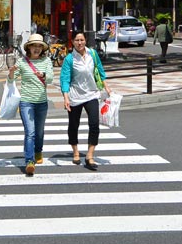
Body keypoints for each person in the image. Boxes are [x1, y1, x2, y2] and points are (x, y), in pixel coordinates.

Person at [60, 31, 112, 171]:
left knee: (94, 124)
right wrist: (65, 97)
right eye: (77, 40)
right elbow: (65, 79)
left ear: (85, 41)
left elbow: (100, 70)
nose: (80, 43)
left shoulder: (92, 54)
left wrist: (106, 87)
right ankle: (75, 151)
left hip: (92, 94)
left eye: (82, 40)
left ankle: (90, 155)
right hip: (75, 96)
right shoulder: (70, 59)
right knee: (73, 125)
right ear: (72, 42)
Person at [7, 33, 54, 177]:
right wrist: (11, 73)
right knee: (30, 132)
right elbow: (11, 81)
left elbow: (51, 79)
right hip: (26, 102)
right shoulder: (22, 62)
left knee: (39, 131)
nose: (37, 48)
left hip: (42, 102)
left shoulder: (46, 61)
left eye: (40, 46)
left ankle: (38, 151)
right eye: (34, 46)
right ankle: (29, 161)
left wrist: (44, 75)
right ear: (29, 47)